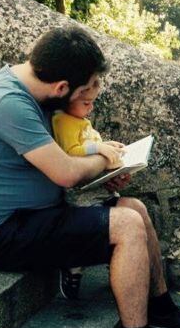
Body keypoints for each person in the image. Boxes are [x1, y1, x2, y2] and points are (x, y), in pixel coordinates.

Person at [0, 25, 180, 328]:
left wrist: (104, 173)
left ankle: (161, 308)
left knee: (135, 209)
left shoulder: (31, 90)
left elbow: (62, 164)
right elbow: (66, 173)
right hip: (3, 234)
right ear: (61, 88)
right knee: (126, 225)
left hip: (36, 217)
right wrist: (108, 158)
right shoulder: (9, 102)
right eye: (84, 93)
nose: (85, 101)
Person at [52, 88, 125, 299]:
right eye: (86, 103)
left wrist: (106, 146)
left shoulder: (79, 119)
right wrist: (100, 150)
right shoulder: (63, 120)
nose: (91, 108)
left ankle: (117, 265)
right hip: (81, 192)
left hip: (96, 188)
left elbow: (87, 143)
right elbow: (72, 149)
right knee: (94, 229)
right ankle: (73, 268)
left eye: (92, 102)